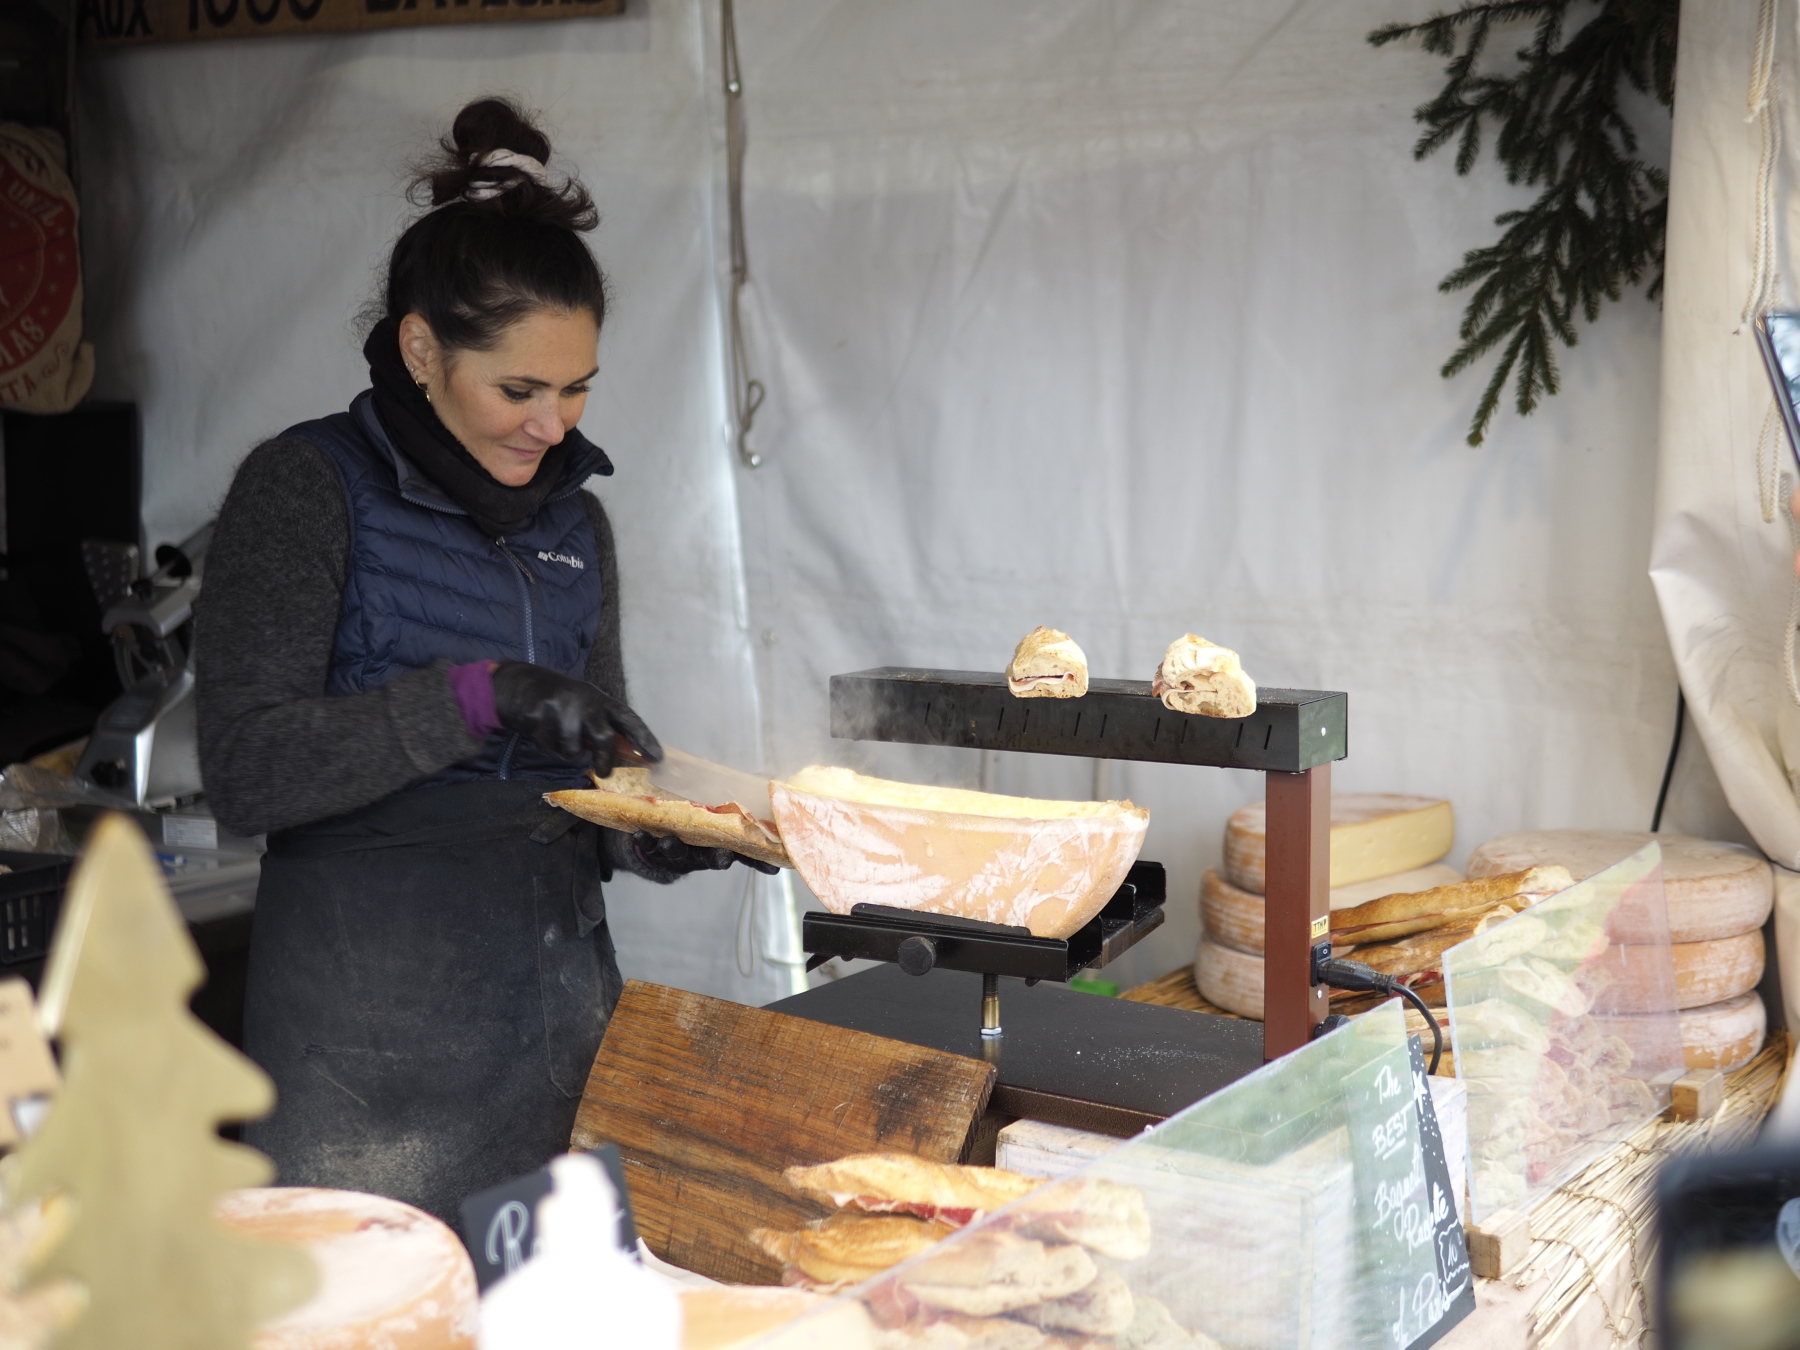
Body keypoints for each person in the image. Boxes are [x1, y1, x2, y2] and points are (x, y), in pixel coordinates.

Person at [195, 98, 773, 1223]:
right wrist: (475, 698)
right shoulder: (307, 492)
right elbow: (249, 772)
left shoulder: (574, 529)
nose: (553, 425)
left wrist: (677, 832)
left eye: (578, 387)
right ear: (421, 349)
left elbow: (594, 776)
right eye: (519, 389)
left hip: (557, 1027)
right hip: (365, 1060)